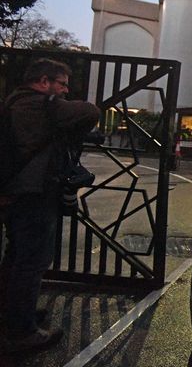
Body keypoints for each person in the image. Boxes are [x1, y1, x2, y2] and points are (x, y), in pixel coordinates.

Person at [0, 59, 100, 354]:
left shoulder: (14, 104)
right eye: (62, 84)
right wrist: (56, 102)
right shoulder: (38, 106)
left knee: (16, 256)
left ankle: (14, 312)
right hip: (33, 193)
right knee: (31, 263)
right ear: (44, 82)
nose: (66, 90)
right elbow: (90, 111)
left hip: (17, 193)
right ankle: (22, 331)